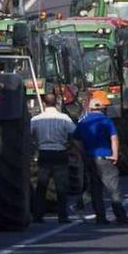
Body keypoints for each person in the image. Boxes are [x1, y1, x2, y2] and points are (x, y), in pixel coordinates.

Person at [74, 91, 128, 225]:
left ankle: (100, 217)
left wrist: (83, 152)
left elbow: (76, 139)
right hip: (105, 157)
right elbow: (114, 138)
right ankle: (120, 216)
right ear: (102, 108)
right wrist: (114, 154)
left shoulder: (83, 122)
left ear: (89, 108)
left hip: (90, 158)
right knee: (113, 188)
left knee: (96, 189)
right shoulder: (106, 121)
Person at [30, 93, 77, 224]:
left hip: (43, 153)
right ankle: (62, 216)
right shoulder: (64, 118)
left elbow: (29, 135)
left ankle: (38, 215)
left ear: (44, 103)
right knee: (61, 186)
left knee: (41, 185)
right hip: (60, 153)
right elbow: (74, 132)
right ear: (56, 102)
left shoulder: (36, 119)